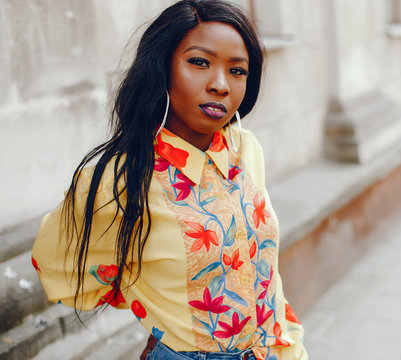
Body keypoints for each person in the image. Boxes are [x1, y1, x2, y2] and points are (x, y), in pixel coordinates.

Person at [31, 1, 308, 359]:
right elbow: (58, 264)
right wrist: (158, 309)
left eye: (237, 70)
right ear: (162, 69)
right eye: (199, 62)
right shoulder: (121, 178)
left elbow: (266, 271)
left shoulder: (245, 150)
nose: (221, 85)